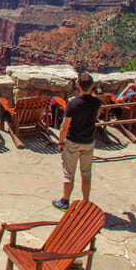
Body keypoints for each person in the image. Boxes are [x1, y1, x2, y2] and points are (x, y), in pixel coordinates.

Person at [53, 72, 103, 211]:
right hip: (89, 142)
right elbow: (97, 115)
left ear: (78, 86)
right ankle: (86, 202)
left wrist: (61, 142)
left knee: (69, 173)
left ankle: (64, 201)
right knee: (86, 174)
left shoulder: (73, 103)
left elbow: (64, 126)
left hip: (73, 142)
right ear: (92, 86)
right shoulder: (97, 102)